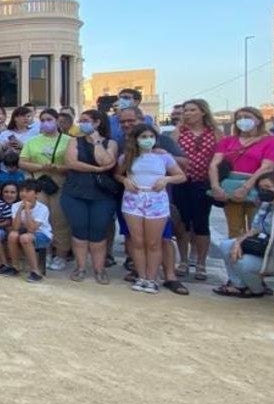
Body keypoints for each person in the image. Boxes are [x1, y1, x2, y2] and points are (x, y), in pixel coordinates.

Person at [117, 124, 186, 294]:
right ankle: (141, 277)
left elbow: (181, 176)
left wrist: (166, 180)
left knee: (154, 242)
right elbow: (118, 173)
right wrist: (124, 180)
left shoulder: (164, 157)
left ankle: (152, 278)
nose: (147, 140)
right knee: (138, 242)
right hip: (134, 200)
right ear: (135, 139)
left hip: (156, 200)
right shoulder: (127, 157)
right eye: (143, 137)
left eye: (150, 136)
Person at [59, 110, 119, 284]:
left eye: (85, 120)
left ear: (97, 122)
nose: (81, 123)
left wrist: (97, 142)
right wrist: (96, 169)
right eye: (81, 120)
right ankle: (81, 267)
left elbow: (106, 161)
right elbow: (71, 163)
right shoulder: (73, 141)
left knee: (98, 233)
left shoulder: (111, 143)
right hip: (75, 192)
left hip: (102, 195)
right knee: (79, 230)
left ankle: (99, 270)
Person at [209, 107, 274, 240]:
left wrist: (246, 187)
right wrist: (215, 186)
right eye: (239, 118)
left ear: (259, 120)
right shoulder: (227, 141)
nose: (243, 120)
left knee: (257, 229)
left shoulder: (271, 141)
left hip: (257, 186)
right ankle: (235, 257)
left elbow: (267, 167)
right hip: (231, 188)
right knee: (234, 230)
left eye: (247, 117)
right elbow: (214, 164)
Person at [169, 99, 220, 280]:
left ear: (203, 112)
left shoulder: (214, 133)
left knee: (201, 223)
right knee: (182, 222)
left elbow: (220, 158)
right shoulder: (178, 132)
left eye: (192, 110)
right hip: (182, 181)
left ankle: (201, 263)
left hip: (203, 182)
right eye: (185, 110)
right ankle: (183, 260)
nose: (188, 113)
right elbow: (171, 155)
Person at [19, 108, 71, 271]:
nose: (46, 123)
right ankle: (45, 252)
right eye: (42, 120)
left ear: (57, 120)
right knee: (40, 219)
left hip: (60, 183)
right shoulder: (32, 141)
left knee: (59, 219)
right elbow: (22, 162)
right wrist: (42, 166)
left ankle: (61, 255)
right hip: (39, 183)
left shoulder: (69, 140)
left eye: (49, 119)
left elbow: (72, 164)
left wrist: (57, 167)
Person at [1, 180, 50, 283]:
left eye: (28, 191)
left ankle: (35, 272)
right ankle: (15, 267)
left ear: (36, 194)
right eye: (22, 191)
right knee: (12, 235)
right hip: (25, 232)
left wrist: (27, 211)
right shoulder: (15, 205)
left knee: (25, 237)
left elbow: (32, 229)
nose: (23, 193)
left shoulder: (43, 208)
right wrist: (20, 210)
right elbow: (15, 227)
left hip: (42, 235)